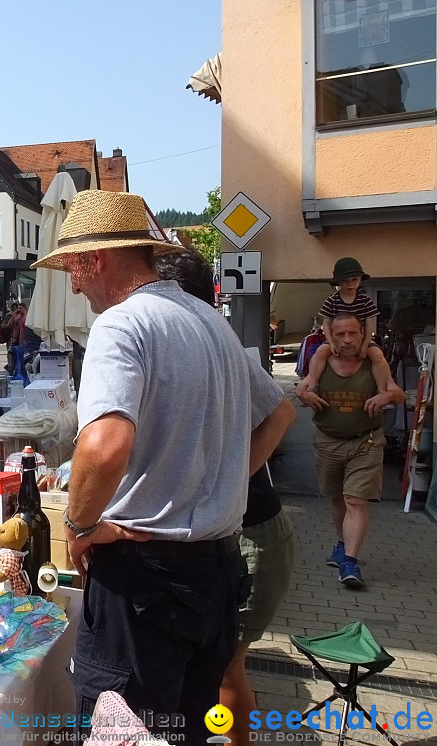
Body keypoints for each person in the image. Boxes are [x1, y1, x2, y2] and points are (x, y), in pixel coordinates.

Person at [32, 190, 294, 744]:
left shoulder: (123, 325)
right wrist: (226, 482)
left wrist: (78, 526)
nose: (72, 286)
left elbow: (104, 447)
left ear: (94, 259)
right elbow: (279, 412)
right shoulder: (210, 318)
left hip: (146, 582)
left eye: (71, 270)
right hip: (215, 575)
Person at [157, 250, 296, 746]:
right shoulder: (194, 343)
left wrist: (235, 476)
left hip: (255, 535)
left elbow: (282, 414)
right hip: (239, 535)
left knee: (225, 670)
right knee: (210, 668)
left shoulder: (218, 346)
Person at [296, 312, 405, 589]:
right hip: (328, 440)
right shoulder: (321, 356)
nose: (347, 339)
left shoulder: (374, 359)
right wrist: (304, 394)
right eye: (340, 334)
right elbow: (303, 386)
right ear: (330, 335)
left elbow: (398, 393)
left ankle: (350, 562)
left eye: (353, 333)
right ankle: (342, 543)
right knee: (336, 498)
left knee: (355, 499)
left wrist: (385, 395)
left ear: (362, 333)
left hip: (365, 441)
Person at [298, 257, 389, 389]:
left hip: (361, 339)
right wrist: (331, 342)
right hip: (336, 339)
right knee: (320, 353)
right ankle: (312, 385)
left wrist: (364, 345)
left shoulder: (365, 300)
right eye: (345, 281)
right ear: (338, 282)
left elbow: (370, 324)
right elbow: (326, 323)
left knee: (378, 356)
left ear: (360, 280)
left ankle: (382, 389)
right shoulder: (332, 300)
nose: (350, 284)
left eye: (354, 280)